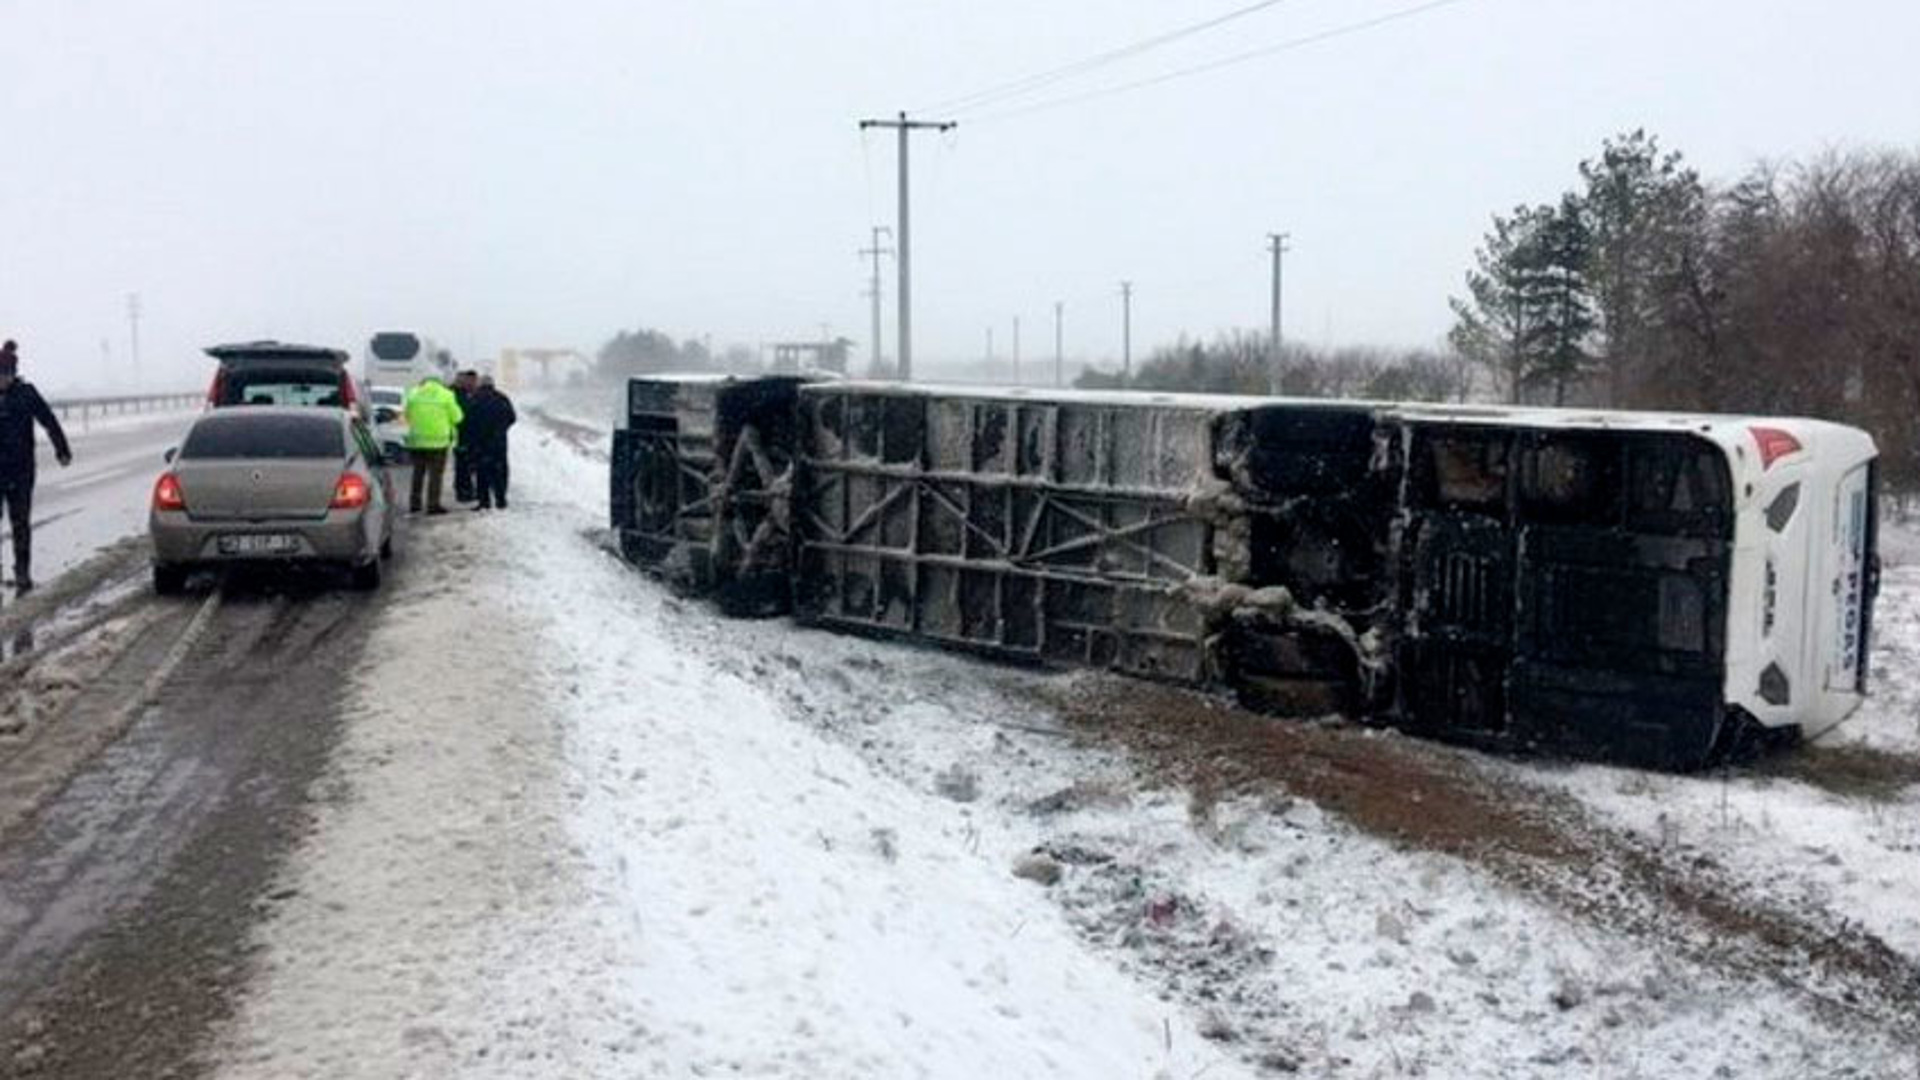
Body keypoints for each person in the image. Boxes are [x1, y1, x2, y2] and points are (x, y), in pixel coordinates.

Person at [0, 341, 73, 596]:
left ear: (12, 373)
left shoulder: (26, 393)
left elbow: (48, 420)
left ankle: (22, 573)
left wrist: (61, 449)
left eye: (5, 375)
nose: (2, 380)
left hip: (21, 470)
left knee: (20, 523)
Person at [402, 373, 462, 514]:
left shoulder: (413, 393)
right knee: (435, 475)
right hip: (438, 442)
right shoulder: (447, 395)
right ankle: (432, 505)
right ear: (439, 383)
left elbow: (407, 415)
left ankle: (415, 503)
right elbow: (458, 417)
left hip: (417, 441)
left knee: (418, 473)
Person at [463, 375, 517, 510]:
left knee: (481, 472)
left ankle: (484, 502)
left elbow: (468, 421)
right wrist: (502, 429)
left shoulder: (475, 399)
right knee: (499, 470)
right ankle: (501, 499)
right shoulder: (502, 398)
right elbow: (512, 417)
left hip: (480, 442)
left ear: (481, 384)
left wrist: (472, 437)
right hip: (498, 441)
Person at [450, 369, 480, 504]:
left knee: (466, 465)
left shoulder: (467, 394)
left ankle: (466, 490)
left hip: (468, 435)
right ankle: (463, 492)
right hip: (460, 435)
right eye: (468, 381)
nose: (471, 383)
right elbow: (461, 415)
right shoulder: (455, 395)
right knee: (463, 465)